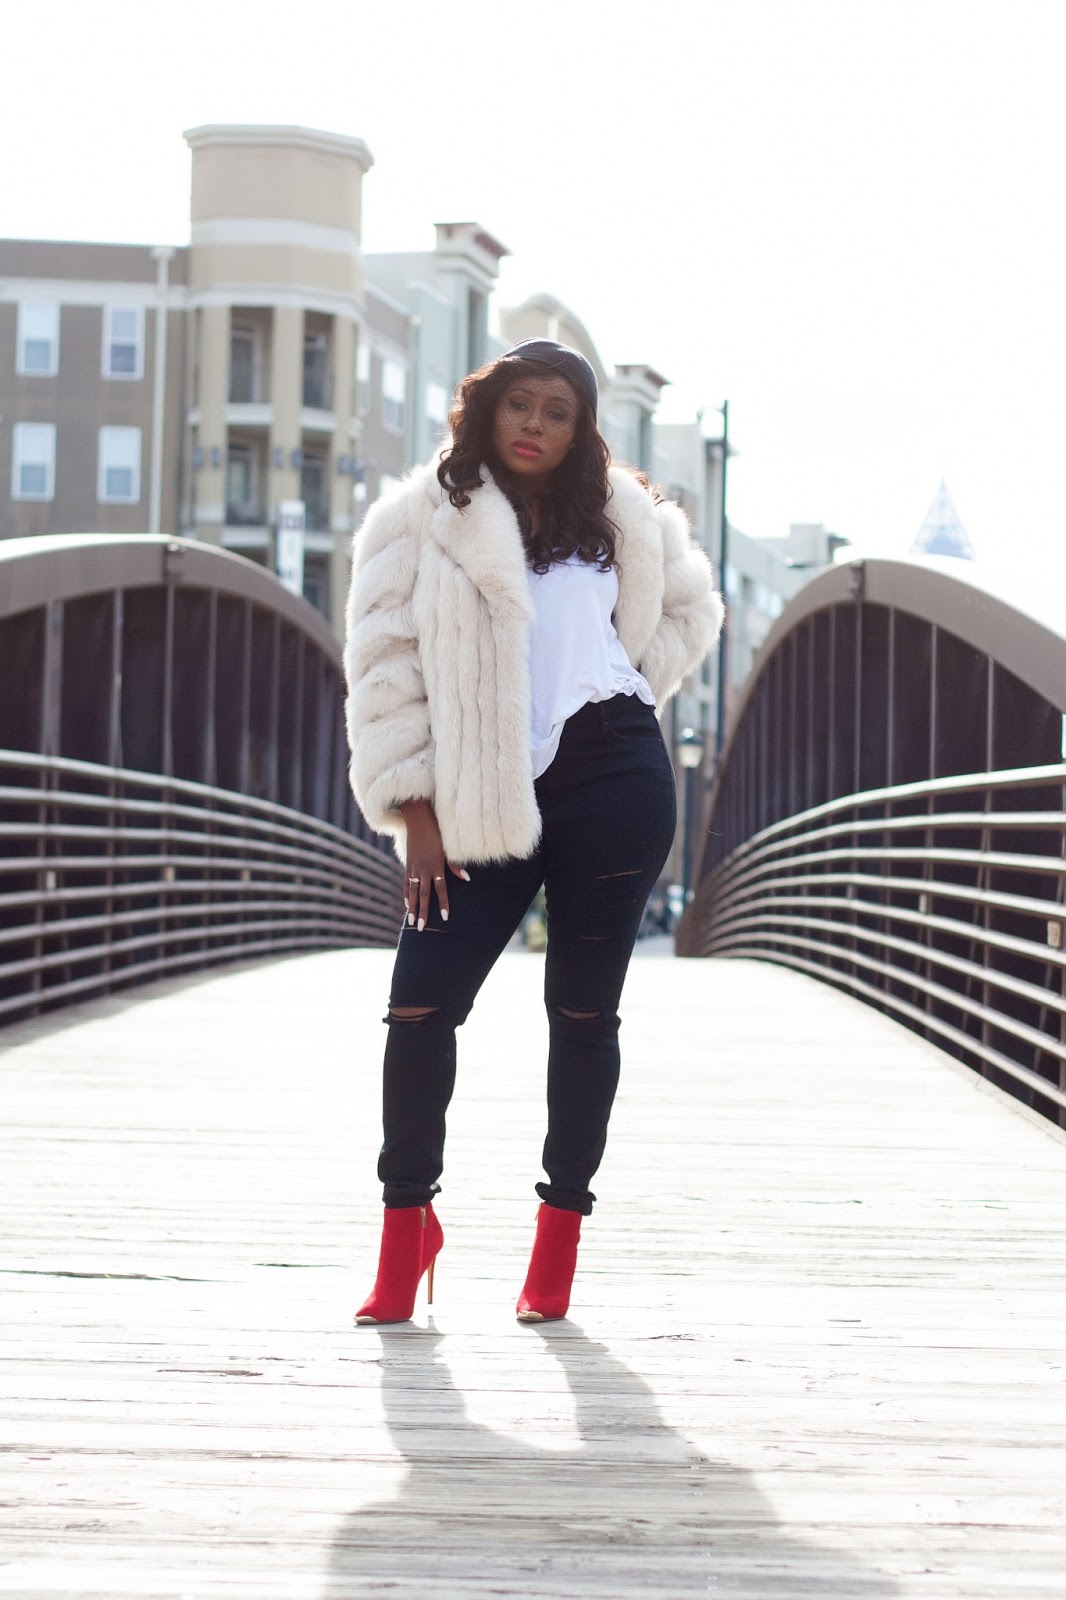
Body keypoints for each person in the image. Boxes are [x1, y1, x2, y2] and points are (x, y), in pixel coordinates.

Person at [344, 339, 723, 1324]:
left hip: (615, 775)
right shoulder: (416, 516)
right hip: (477, 793)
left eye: (558, 412)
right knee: (418, 1004)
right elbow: (383, 665)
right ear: (486, 406)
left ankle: (557, 1243)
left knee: (583, 1013)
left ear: (579, 428)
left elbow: (694, 608)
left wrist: (625, 682)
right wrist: (415, 810)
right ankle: (405, 1230)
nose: (535, 426)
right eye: (521, 404)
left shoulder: (622, 514)